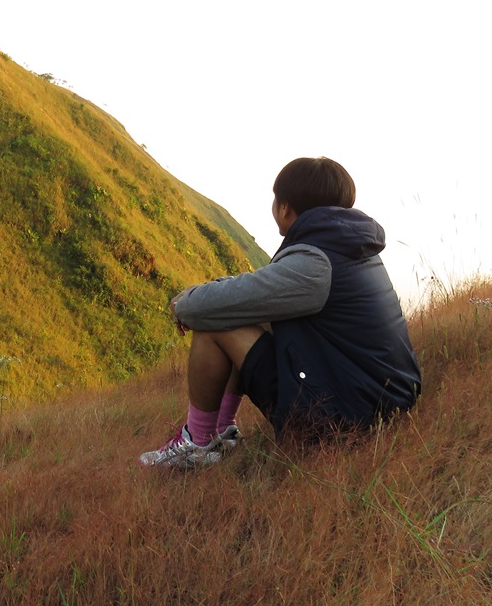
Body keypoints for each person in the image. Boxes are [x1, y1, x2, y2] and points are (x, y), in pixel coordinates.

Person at [139, 157, 421, 469]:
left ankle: (198, 444)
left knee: (214, 325)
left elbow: (218, 305)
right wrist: (200, 298)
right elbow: (257, 290)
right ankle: (222, 432)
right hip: (378, 401)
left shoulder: (315, 264)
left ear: (285, 207)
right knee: (244, 313)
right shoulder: (347, 247)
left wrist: (188, 304)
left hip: (344, 421)